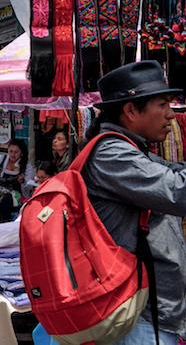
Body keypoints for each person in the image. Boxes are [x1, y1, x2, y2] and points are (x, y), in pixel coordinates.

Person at [80, 61, 186, 343]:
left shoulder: (132, 149)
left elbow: (173, 173)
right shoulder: (112, 154)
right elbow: (178, 191)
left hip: (147, 310)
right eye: (162, 105)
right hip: (137, 316)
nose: (171, 116)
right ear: (130, 110)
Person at [0, 139, 34, 222]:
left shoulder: (26, 165)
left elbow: (29, 185)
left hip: (17, 193)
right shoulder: (1, 159)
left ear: (21, 152)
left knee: (7, 200)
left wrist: (23, 181)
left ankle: (6, 223)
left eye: (16, 152)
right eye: (11, 151)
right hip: (0, 189)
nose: (13, 155)